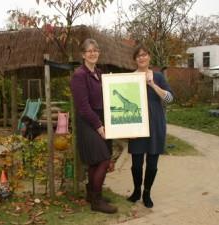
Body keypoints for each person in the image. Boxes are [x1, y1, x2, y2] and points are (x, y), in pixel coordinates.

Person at [70, 38, 117, 214]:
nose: (93, 53)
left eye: (95, 50)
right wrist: (99, 127)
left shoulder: (98, 73)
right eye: (89, 51)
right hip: (88, 122)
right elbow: (83, 107)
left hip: (100, 119)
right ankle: (96, 202)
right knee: (103, 159)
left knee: (94, 163)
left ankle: (91, 194)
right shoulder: (79, 75)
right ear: (83, 54)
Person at [127, 44, 173, 208]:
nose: (142, 57)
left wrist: (152, 84)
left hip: (155, 124)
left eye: (144, 54)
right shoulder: (129, 77)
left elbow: (169, 99)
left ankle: (147, 193)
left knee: (152, 163)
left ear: (149, 57)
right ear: (135, 59)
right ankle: (136, 191)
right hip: (137, 126)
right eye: (138, 55)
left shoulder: (159, 77)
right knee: (136, 163)